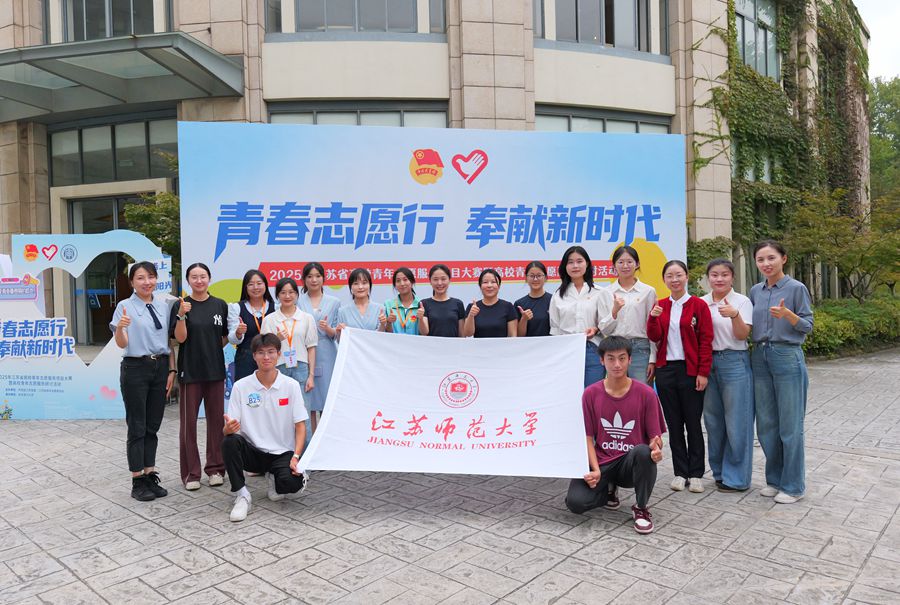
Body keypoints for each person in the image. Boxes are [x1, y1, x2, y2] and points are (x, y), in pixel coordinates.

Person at [565, 336, 667, 534]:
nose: (617, 364)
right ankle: (608, 489)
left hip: (629, 463)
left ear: (630, 360)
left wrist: (656, 449)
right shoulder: (591, 393)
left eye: (622, 358)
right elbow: (587, 437)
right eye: (610, 358)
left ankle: (641, 508)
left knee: (643, 452)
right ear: (601, 360)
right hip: (602, 461)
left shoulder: (646, 394)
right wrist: (595, 470)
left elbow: (655, 439)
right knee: (575, 503)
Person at [749, 240, 813, 504]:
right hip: (759, 356)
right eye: (761, 259)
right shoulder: (755, 291)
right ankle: (774, 480)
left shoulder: (796, 288)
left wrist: (788, 315)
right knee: (766, 424)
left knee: (790, 424)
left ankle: (793, 486)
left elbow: (808, 325)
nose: (766, 263)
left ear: (783, 259)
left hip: (787, 356)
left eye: (771, 258)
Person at [223, 333, 310, 522]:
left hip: (282, 453)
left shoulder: (291, 385)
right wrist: (227, 430)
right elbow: (229, 428)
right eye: (261, 353)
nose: (266, 357)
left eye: (271, 352)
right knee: (229, 442)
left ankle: (274, 478)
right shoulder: (241, 386)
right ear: (254, 356)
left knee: (292, 484)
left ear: (278, 354)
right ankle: (242, 495)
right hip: (253, 452)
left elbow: (300, 425)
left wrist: (296, 457)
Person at [111, 261, 176, 501]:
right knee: (137, 425)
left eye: (150, 277)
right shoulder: (124, 306)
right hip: (135, 368)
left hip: (160, 367)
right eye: (140, 278)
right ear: (132, 282)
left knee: (153, 425)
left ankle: (150, 474)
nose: (146, 282)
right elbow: (121, 343)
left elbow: (168, 341)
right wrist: (121, 328)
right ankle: (137, 480)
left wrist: (171, 370)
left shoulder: (163, 305)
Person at [647, 260, 713, 494]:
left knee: (693, 423)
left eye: (678, 275)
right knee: (674, 424)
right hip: (666, 370)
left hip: (690, 370)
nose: (674, 280)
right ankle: (679, 472)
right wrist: (653, 318)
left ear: (686, 277)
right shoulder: (661, 305)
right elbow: (654, 336)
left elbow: (706, 340)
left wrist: (703, 372)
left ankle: (696, 474)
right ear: (664, 280)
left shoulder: (698, 305)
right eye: (669, 276)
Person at [170, 262, 230, 490]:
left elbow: (222, 338)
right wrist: (181, 316)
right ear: (188, 281)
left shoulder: (220, 305)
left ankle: (216, 469)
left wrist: (211, 349)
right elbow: (180, 339)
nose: (199, 280)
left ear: (209, 278)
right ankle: (191, 474)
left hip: (215, 371)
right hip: (190, 372)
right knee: (188, 426)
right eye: (194, 277)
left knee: (216, 423)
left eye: (202, 276)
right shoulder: (181, 305)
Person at [702, 258, 754, 493]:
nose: (719, 279)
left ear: (732, 277)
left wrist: (734, 315)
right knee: (713, 421)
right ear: (708, 278)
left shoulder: (741, 302)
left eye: (724, 274)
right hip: (708, 363)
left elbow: (742, 335)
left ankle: (737, 478)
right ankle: (720, 472)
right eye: (714, 275)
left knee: (737, 421)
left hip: (734, 362)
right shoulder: (702, 303)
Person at [549, 246, 614, 387]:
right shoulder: (558, 296)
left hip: (592, 349)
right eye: (570, 262)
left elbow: (607, 326)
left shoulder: (600, 292)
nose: (575, 266)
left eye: (579, 261)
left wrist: (596, 329)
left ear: (587, 264)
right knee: (569, 392)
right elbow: (555, 329)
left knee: (593, 393)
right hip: (566, 350)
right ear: (565, 266)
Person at [603, 245, 658, 382]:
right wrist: (614, 311)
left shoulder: (648, 291)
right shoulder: (607, 292)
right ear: (614, 266)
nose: (625, 266)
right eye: (620, 262)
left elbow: (652, 326)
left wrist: (652, 358)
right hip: (615, 348)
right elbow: (604, 329)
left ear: (637, 264)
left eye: (629, 262)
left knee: (641, 391)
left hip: (640, 348)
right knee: (616, 391)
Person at [298, 262, 341, 436]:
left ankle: (326, 437)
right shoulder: (298, 301)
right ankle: (309, 439)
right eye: (309, 276)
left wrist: (328, 329)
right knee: (308, 398)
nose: (314, 280)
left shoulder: (334, 302)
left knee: (326, 396)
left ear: (324, 278)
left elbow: (336, 334)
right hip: (304, 351)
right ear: (304, 279)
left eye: (317, 276)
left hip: (327, 352)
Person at [229, 270, 276, 382]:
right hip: (246, 359)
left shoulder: (276, 307)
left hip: (270, 359)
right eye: (251, 284)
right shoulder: (236, 308)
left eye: (259, 283)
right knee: (246, 391)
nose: (255, 287)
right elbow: (232, 339)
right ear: (245, 287)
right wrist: (238, 333)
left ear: (265, 285)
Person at [464, 269, 517, 338]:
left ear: (499, 286)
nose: (489, 285)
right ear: (480, 286)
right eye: (485, 282)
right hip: (479, 345)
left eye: (493, 282)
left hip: (502, 345)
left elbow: (512, 335)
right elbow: (468, 333)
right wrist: (471, 315)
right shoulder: (473, 307)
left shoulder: (508, 306)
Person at [336, 268, 387, 337]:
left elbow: (381, 336)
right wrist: (339, 332)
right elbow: (340, 340)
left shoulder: (380, 309)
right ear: (351, 287)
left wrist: (383, 324)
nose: (360, 287)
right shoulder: (342, 311)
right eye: (356, 283)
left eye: (364, 283)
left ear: (369, 285)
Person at [420, 264, 465, 338]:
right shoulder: (424, 304)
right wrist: (420, 318)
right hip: (431, 345)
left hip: (453, 345)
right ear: (430, 281)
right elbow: (424, 332)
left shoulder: (458, 303)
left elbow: (462, 335)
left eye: (443, 279)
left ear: (449, 280)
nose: (439, 283)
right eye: (435, 279)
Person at [515, 261, 552, 337]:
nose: (535, 279)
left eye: (539, 275)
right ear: (526, 278)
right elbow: (518, 336)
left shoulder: (553, 300)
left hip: (552, 344)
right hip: (528, 344)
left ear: (545, 278)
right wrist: (524, 319)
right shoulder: (519, 304)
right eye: (532, 276)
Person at [384, 267, 422, 335]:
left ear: (412, 282)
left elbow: (425, 332)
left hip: (415, 342)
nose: (402, 283)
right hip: (394, 342)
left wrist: (421, 319)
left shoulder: (421, 305)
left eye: (405, 280)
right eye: (398, 281)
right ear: (395, 285)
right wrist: (389, 322)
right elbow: (385, 333)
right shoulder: (388, 305)